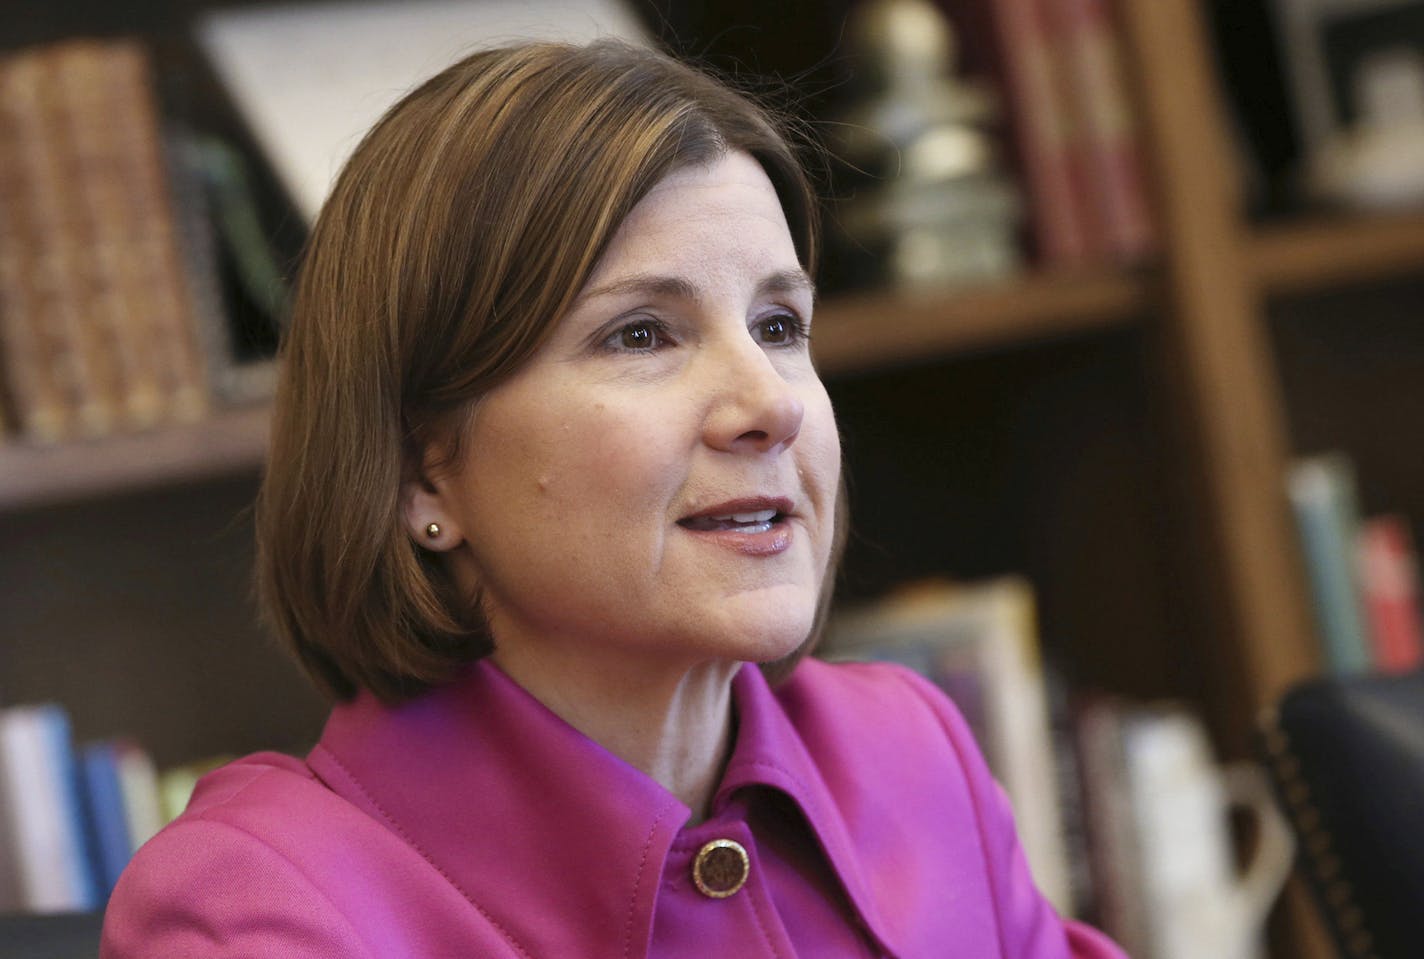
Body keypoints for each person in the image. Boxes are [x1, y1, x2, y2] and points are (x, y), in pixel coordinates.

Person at [101, 40, 1127, 958]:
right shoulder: (256, 912)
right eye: (641, 333)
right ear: (422, 470)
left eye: (778, 324)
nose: (768, 402)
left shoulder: (907, 753)